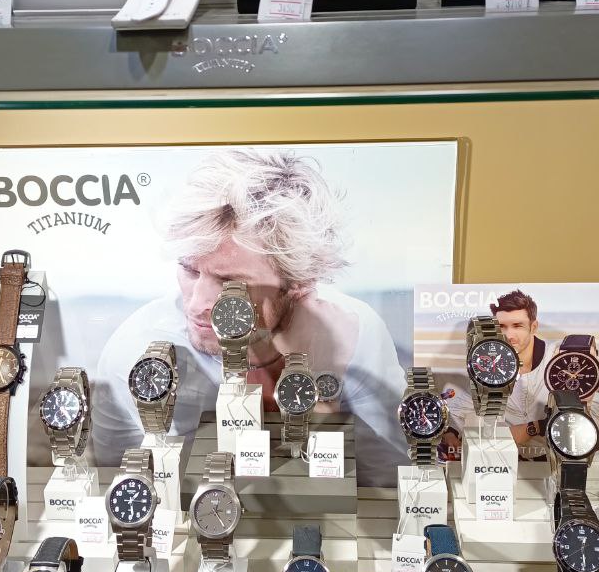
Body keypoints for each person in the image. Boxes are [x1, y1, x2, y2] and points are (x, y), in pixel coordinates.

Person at [92, 148, 406, 485]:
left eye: (231, 283)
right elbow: (221, 496)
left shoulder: (353, 330)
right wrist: (309, 382)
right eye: (190, 270)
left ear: (299, 283)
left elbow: (386, 482)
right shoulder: (141, 352)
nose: (197, 304)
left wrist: (317, 377)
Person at [487, 289, 599, 453]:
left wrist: (539, 427)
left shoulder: (565, 357)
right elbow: (471, 419)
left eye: (517, 326)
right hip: (536, 461)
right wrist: (538, 426)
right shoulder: (487, 368)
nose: (509, 335)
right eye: (501, 327)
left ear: (533, 327)